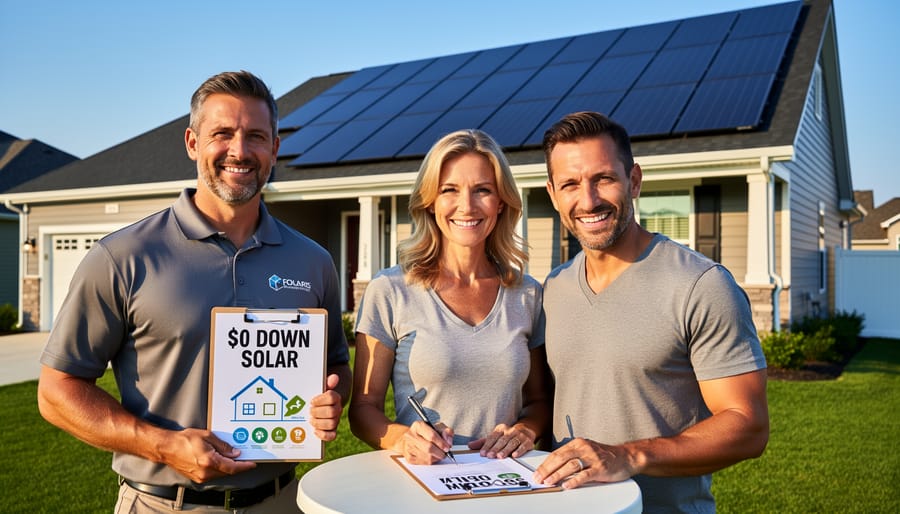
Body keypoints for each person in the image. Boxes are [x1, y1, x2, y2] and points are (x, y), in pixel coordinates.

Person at [37, 70, 351, 513]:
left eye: (256, 136)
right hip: (164, 504)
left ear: (275, 148)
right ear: (192, 143)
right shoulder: (124, 257)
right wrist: (164, 446)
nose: (239, 151)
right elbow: (56, 390)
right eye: (222, 133)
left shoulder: (312, 261)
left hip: (279, 501)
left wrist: (332, 398)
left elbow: (336, 361)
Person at [531, 111, 769, 512]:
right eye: (571, 184)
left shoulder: (701, 285)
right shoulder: (552, 290)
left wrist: (629, 455)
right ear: (553, 195)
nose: (588, 200)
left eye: (603, 179)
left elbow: (748, 427)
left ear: (634, 181)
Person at [348, 129, 551, 465]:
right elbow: (362, 410)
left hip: (507, 484)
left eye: (483, 190)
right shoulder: (390, 290)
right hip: (427, 484)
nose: (466, 206)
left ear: (501, 202)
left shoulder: (527, 294)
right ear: (430, 201)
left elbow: (540, 401)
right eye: (449, 190)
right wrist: (403, 438)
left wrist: (527, 429)